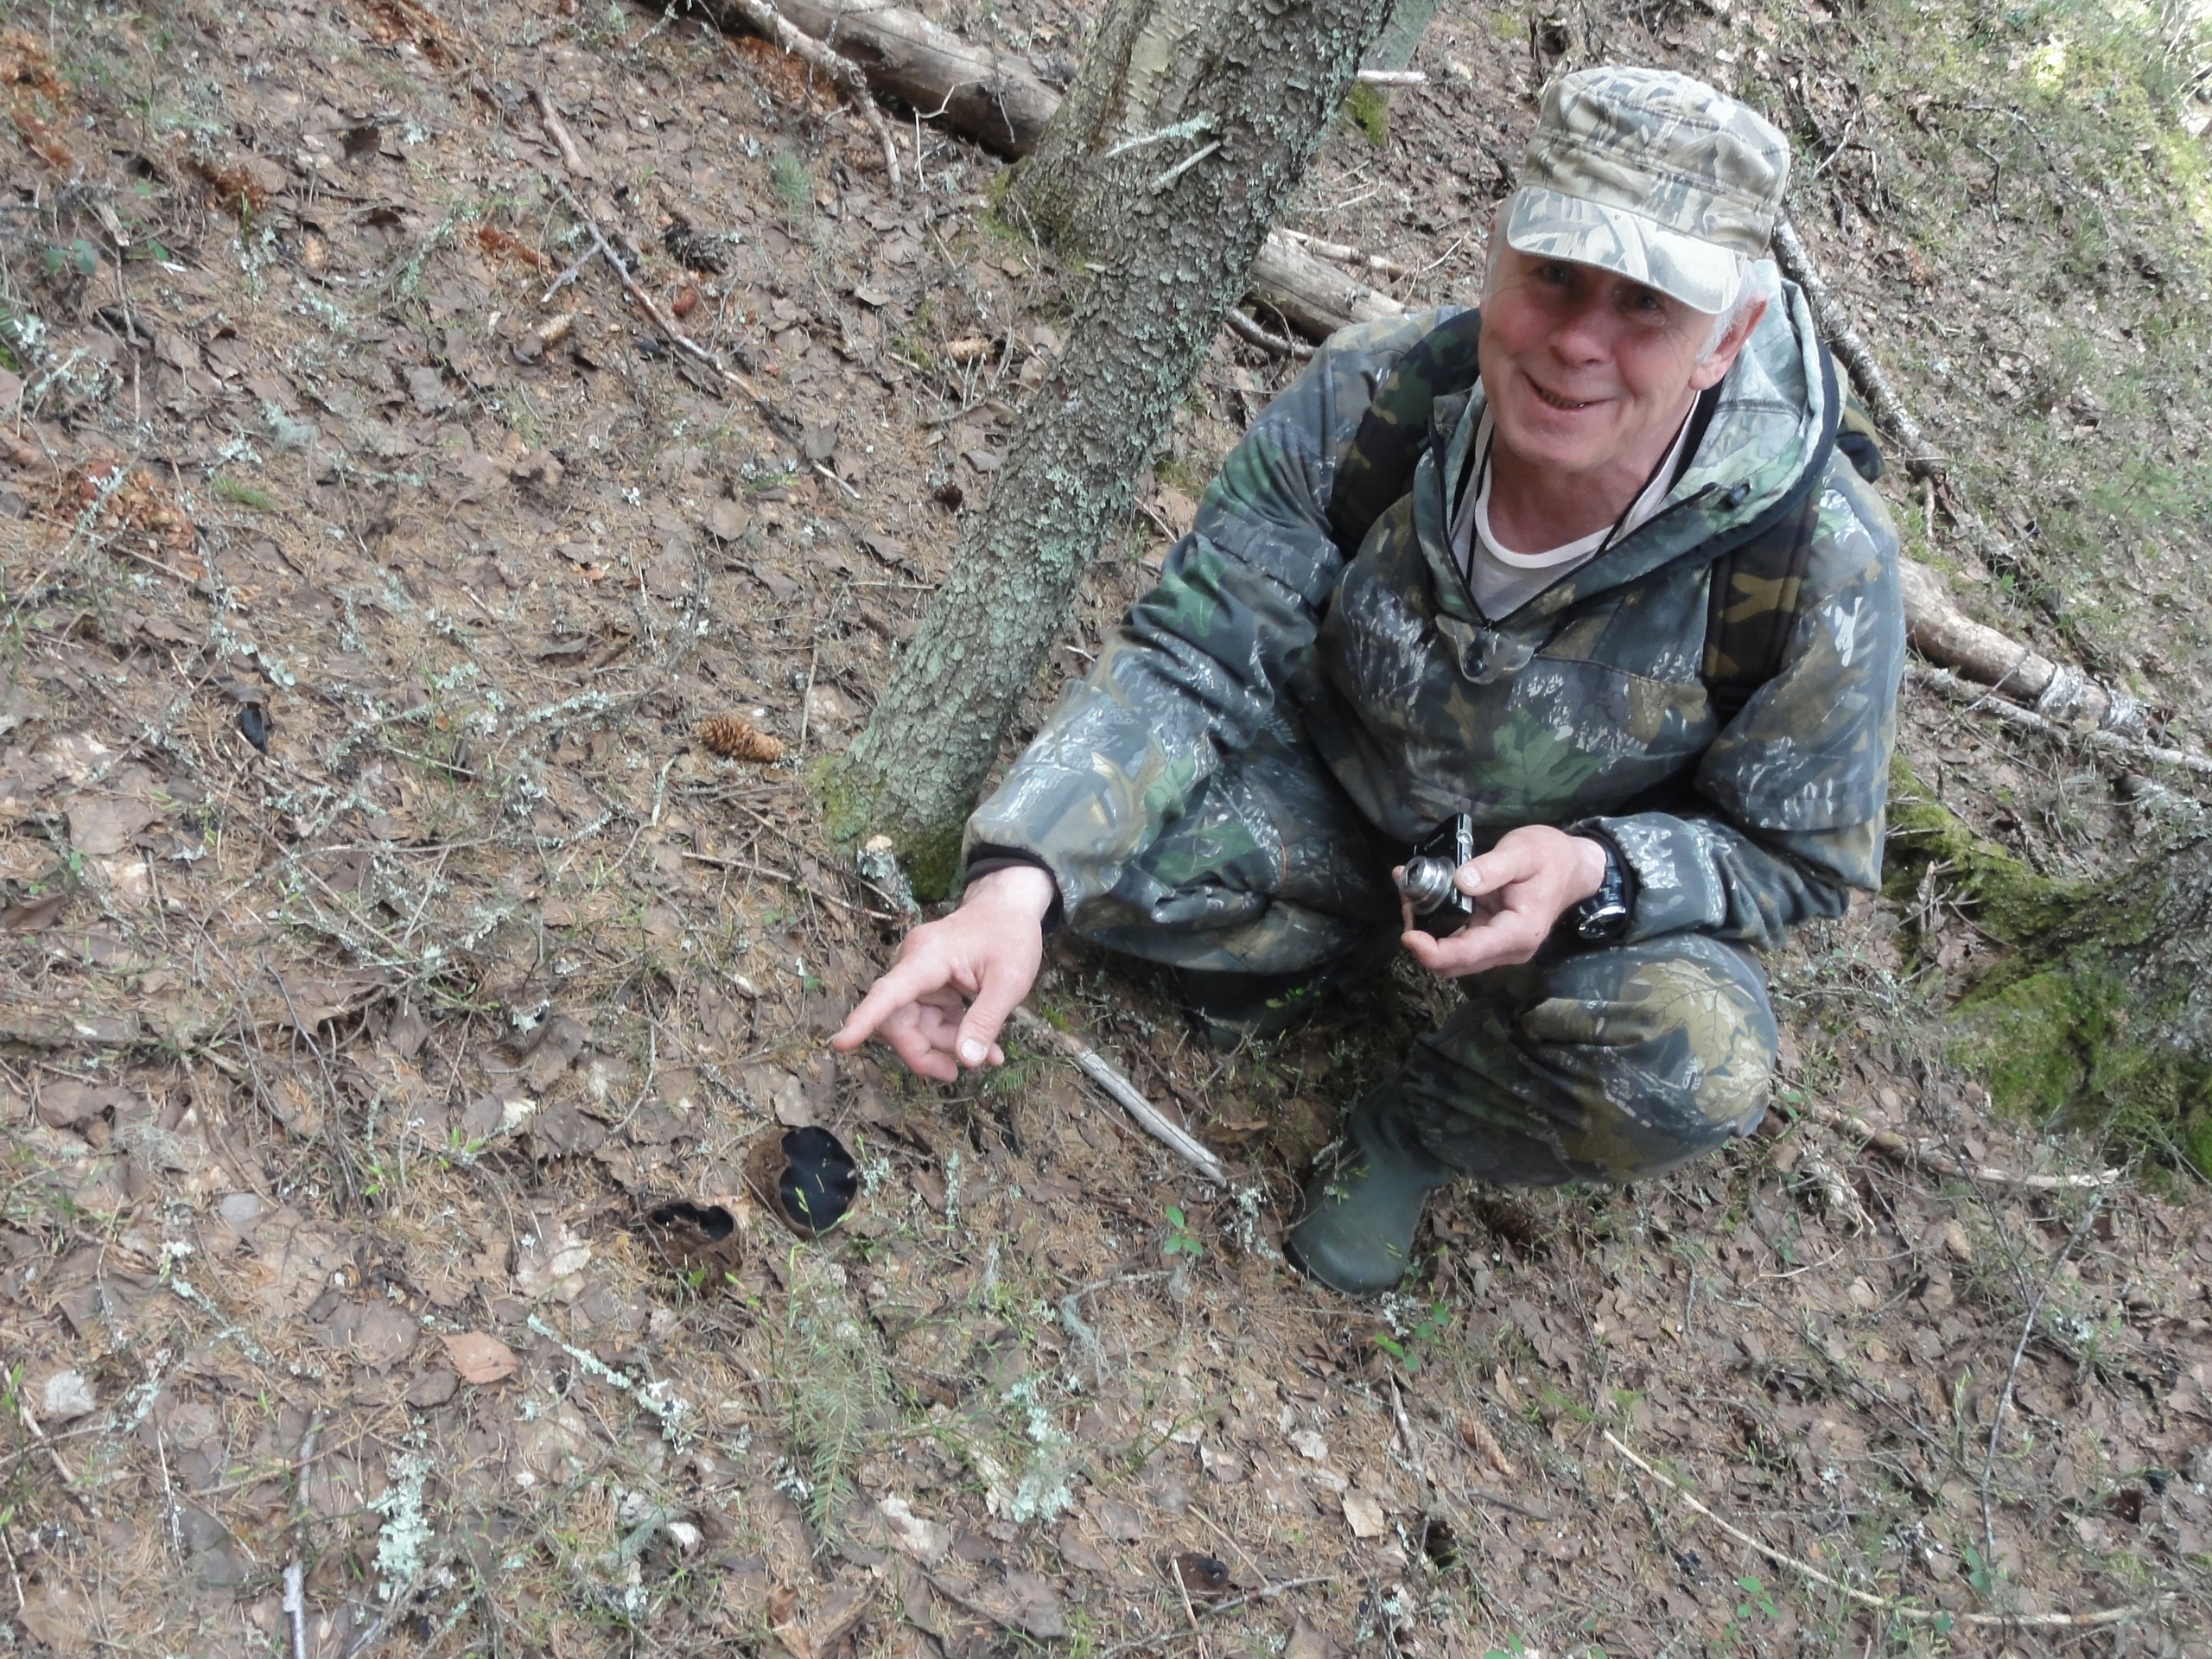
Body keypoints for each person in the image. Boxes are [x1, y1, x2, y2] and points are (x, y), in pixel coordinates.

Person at [833, 66, 1904, 1296]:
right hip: (1337, 790)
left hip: (1567, 914)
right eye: (1554, 273)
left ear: (1730, 336)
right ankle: (1327, 946)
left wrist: (1597, 876)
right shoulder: (1379, 393)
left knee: (1694, 1061)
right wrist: (1013, 885)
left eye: (1647, 306)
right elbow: (1195, 652)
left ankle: (1409, 1133)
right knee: (1097, 876)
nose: (1577, 344)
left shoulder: (1820, 560)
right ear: (1499, 252)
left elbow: (1801, 858)